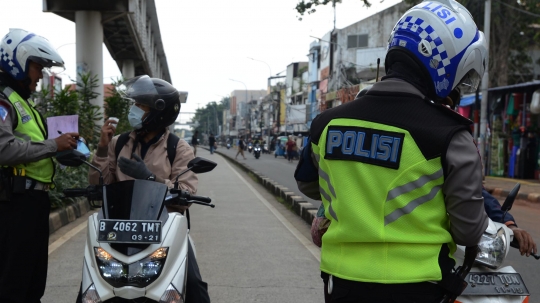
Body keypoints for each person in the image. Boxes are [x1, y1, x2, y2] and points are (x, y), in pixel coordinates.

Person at [294, 1, 489, 301]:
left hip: (341, 285)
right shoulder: (449, 136)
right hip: (417, 289)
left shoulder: (326, 124)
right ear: (445, 64)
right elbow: (469, 231)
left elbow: (308, 184)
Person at [84, 75, 210, 303]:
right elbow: (99, 184)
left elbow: (186, 192)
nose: (133, 110)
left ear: (158, 112)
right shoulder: (119, 142)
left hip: (164, 229)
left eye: (140, 106)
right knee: (90, 289)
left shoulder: (178, 148)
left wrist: (150, 178)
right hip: (119, 229)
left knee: (194, 287)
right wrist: (102, 149)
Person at [0, 28, 79, 303]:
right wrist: (53, 146)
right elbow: (3, 149)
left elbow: (38, 147)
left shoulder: (25, 104)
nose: (41, 75)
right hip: (14, 204)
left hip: (33, 203)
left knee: (33, 285)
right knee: (13, 284)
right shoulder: (3, 101)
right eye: (37, 67)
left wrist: (67, 148)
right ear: (18, 63)